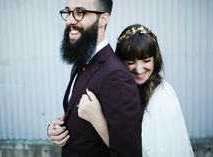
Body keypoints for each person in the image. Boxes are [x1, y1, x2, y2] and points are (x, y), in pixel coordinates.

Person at [77, 24, 195, 157]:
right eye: (130, 62)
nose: (139, 70)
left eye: (146, 60)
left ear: (155, 59)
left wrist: (97, 119)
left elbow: (138, 151)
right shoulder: (116, 86)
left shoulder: (162, 95)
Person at [46, 0, 143, 157]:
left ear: (103, 19)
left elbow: (128, 152)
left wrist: (97, 119)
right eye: (68, 12)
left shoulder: (116, 76)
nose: (70, 20)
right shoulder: (81, 62)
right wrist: (54, 128)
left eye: (80, 12)